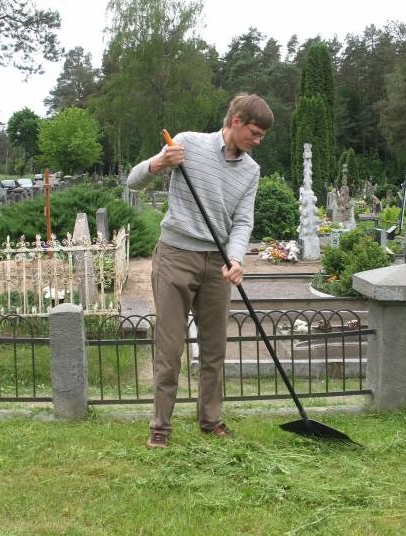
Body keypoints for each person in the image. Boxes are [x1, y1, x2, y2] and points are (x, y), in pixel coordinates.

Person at [127, 94, 274, 448]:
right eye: (255, 133)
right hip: (176, 255)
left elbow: (242, 221)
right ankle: (160, 427)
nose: (258, 142)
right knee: (170, 347)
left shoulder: (251, 171)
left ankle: (210, 420)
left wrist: (236, 258)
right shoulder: (188, 144)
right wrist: (161, 161)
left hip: (217, 264)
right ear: (236, 121)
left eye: (262, 137)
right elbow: (134, 181)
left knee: (214, 349)